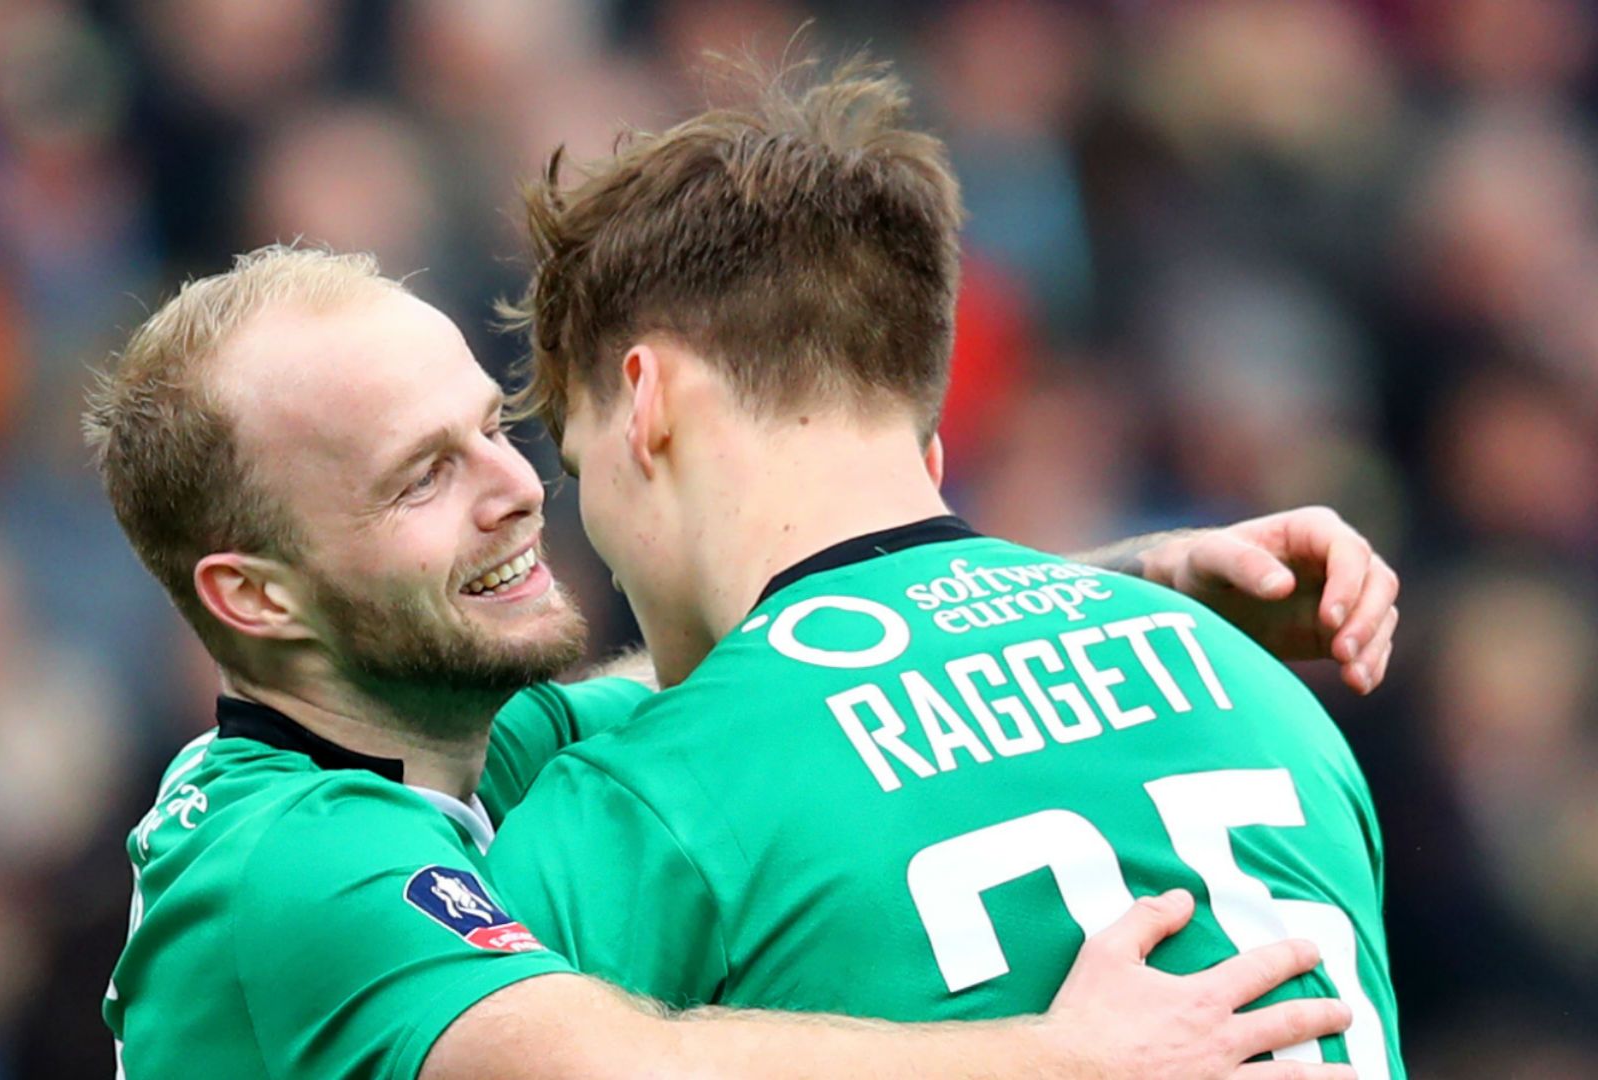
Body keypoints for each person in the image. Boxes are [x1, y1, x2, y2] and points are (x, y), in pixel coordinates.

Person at [85, 245, 1387, 1079]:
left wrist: (1132, 580)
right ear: (253, 596)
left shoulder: (483, 744)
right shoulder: (286, 859)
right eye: (423, 476)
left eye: (492, 427)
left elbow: (771, 701)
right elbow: (606, 1067)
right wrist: (1056, 1057)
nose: (518, 487)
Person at [483, 59, 1403, 1077]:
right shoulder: (1265, 696)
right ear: (923, 441)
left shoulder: (638, 808)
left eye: (579, 465)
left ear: (645, 400)